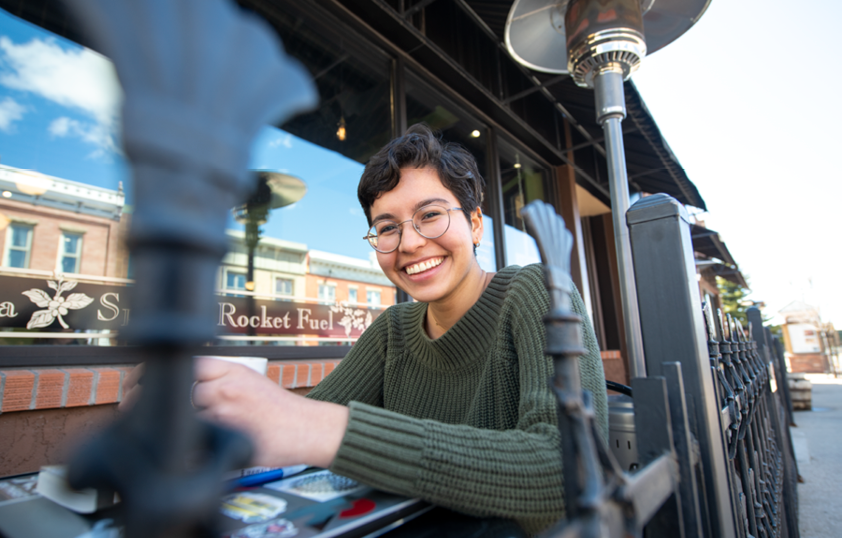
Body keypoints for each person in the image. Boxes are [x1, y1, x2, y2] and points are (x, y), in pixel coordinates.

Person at [122, 123, 608, 535]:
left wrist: (310, 428)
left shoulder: (537, 292)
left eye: (431, 215)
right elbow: (296, 426)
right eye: (388, 227)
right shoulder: (392, 331)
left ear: (476, 223)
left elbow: (570, 470)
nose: (410, 242)